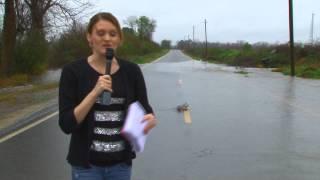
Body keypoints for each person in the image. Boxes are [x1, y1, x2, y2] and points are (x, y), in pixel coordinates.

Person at [58, 12, 157, 180]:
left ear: (119, 39)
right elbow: (66, 124)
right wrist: (95, 92)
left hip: (120, 166)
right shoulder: (72, 72)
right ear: (89, 37)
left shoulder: (131, 71)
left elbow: (145, 109)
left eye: (113, 34)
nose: (107, 39)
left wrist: (150, 119)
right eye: (100, 33)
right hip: (86, 167)